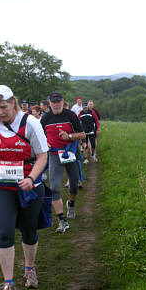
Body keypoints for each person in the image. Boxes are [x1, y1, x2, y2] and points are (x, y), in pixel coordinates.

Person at [0, 85, 48, 290]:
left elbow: (42, 156)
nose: (0, 112)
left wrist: (31, 179)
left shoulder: (31, 123)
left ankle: (30, 269)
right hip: (1, 185)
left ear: (13, 103)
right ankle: (8, 284)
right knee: (4, 232)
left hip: (29, 185)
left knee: (28, 231)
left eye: (4, 106)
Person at [41, 92, 85, 233]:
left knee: (74, 185)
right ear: (50, 103)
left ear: (62, 101)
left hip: (70, 152)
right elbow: (40, 136)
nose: (56, 104)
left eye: (58, 101)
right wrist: (45, 143)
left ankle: (71, 204)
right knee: (54, 187)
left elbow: (82, 134)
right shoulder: (46, 118)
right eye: (53, 102)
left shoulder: (70, 115)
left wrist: (69, 136)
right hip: (54, 155)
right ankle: (62, 221)